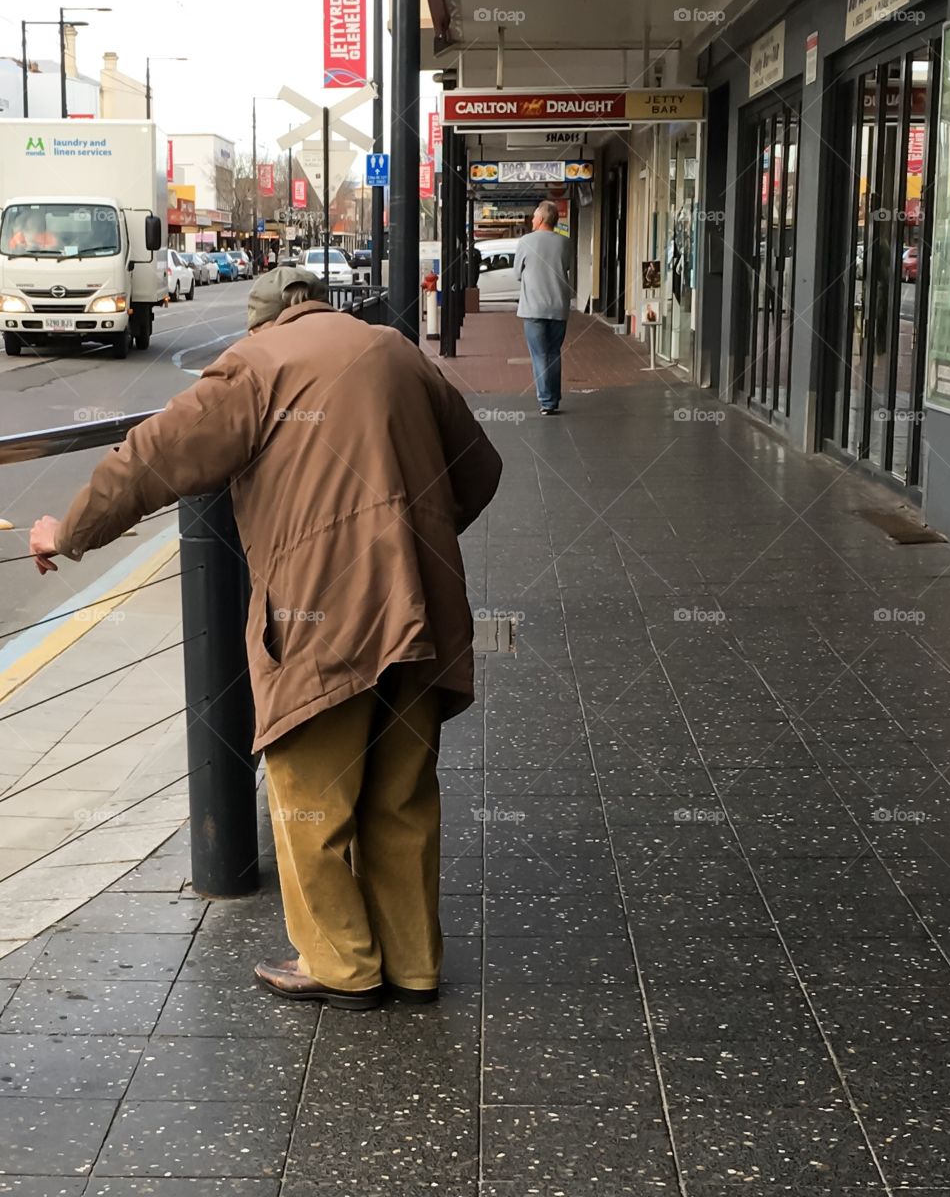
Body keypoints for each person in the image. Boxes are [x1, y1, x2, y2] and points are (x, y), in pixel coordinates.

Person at [29, 266, 502, 1011]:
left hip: (324, 614)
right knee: (402, 794)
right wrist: (417, 543)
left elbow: (152, 457)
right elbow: (480, 468)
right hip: (423, 608)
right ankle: (413, 964)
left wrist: (71, 529)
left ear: (261, 323)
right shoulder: (397, 349)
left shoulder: (255, 366)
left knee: (309, 794)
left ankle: (342, 964)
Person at [514, 200, 573, 415]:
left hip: (533, 308)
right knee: (553, 352)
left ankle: (547, 401)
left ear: (540, 219)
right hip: (559, 306)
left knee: (539, 354)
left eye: (534, 217)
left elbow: (517, 273)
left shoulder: (525, 241)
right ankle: (554, 398)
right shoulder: (565, 242)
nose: (531, 219)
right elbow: (567, 267)